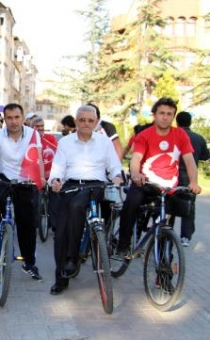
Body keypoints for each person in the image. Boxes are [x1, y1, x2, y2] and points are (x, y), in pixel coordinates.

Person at [47, 105, 123, 295]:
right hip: (71, 185)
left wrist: (117, 176)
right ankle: (62, 278)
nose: (86, 124)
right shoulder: (65, 142)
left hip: (95, 186)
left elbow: (115, 166)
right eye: (82, 120)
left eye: (90, 120)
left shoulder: (104, 142)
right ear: (76, 121)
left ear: (96, 122)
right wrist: (55, 180)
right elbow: (57, 167)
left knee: (77, 205)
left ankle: (73, 256)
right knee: (60, 232)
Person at [117, 98, 202, 257]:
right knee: (131, 203)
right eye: (161, 113)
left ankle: (164, 271)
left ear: (173, 117)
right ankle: (123, 243)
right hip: (145, 182)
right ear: (154, 115)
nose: (165, 117)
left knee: (166, 226)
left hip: (168, 187)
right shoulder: (144, 135)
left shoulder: (180, 135)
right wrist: (135, 174)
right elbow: (136, 158)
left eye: (169, 114)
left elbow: (190, 161)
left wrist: (193, 182)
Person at [0, 103, 46, 281]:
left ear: (23, 118)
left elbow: (38, 159)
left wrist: (42, 178)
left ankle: (29, 263)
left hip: (26, 181)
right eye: (9, 118)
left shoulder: (32, 134)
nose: (14, 121)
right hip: (5, 179)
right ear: (4, 119)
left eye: (17, 117)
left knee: (27, 226)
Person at [173, 111, 210, 246]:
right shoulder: (198, 138)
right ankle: (185, 237)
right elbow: (206, 156)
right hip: (190, 177)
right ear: (190, 122)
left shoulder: (172, 136)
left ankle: (164, 233)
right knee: (189, 206)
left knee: (167, 204)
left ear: (176, 121)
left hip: (172, 175)